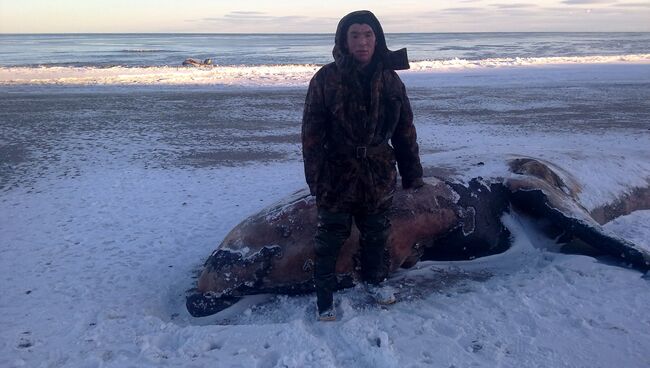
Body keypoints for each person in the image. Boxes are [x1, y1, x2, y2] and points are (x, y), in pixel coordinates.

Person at [301, 10, 424, 321]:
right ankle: (324, 297)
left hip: (378, 170)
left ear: (377, 39)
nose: (362, 41)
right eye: (354, 35)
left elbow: (405, 130)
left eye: (368, 35)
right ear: (344, 40)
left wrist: (412, 174)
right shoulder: (325, 78)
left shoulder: (390, 79)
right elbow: (311, 134)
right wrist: (315, 178)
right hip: (336, 172)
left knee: (376, 234)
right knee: (330, 237)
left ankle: (375, 282)